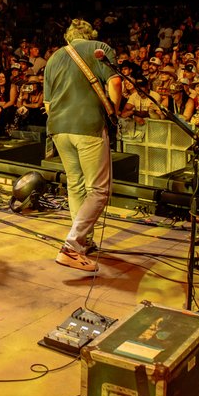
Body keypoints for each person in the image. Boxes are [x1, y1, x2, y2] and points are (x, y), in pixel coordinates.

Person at [43, 18, 121, 273]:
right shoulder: (100, 48)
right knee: (99, 190)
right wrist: (114, 110)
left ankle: (83, 241)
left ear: (68, 36)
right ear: (90, 34)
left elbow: (47, 104)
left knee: (75, 185)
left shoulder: (54, 57)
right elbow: (115, 82)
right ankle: (72, 246)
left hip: (58, 128)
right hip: (88, 126)